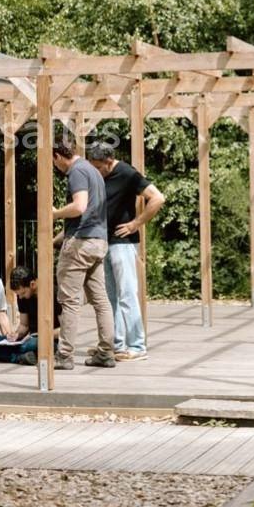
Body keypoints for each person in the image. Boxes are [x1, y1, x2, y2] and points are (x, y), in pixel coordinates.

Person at [86, 141, 165, 361]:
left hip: (123, 242)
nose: (95, 172)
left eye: (98, 167)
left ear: (109, 162)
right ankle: (116, 344)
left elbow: (158, 198)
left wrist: (135, 223)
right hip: (104, 242)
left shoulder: (127, 173)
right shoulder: (99, 175)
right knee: (109, 296)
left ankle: (137, 346)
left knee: (127, 294)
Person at [50, 136, 116, 369]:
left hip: (80, 245)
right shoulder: (93, 171)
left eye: (54, 162)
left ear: (58, 156)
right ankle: (106, 352)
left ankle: (65, 355)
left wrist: (55, 213)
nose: (55, 167)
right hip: (98, 242)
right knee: (101, 300)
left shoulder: (76, 172)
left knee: (68, 301)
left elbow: (79, 206)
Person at [0, 266, 61, 366]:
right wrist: (16, 335)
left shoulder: (54, 294)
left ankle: (3, 355)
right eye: (18, 294)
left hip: (49, 340)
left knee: (30, 344)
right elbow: (24, 325)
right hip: (28, 340)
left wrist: (43, 335)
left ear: (32, 284)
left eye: (23, 293)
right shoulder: (22, 297)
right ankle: (21, 356)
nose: (20, 297)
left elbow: (64, 330)